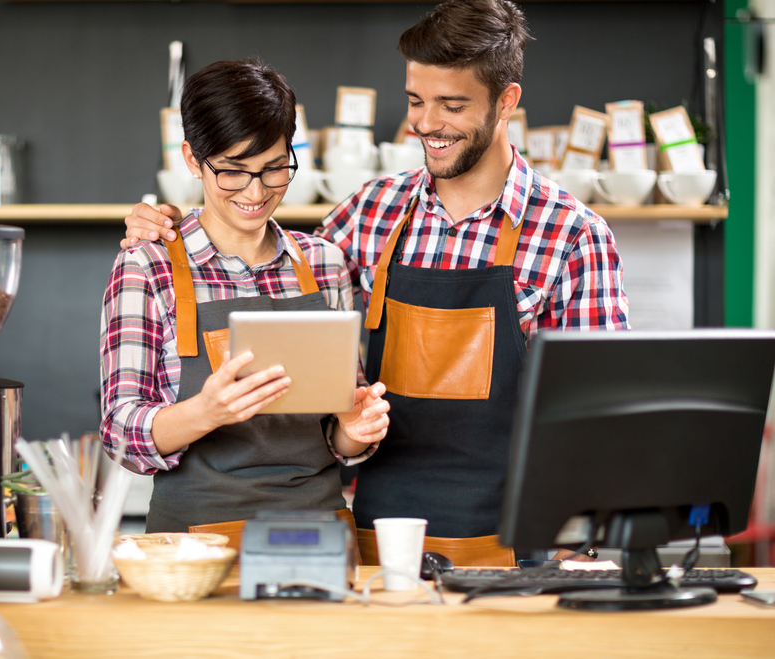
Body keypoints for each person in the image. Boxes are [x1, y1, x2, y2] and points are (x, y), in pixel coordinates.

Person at [121, 0, 628, 563]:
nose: (427, 124)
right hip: (374, 542)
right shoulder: (372, 213)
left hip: (512, 547)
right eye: (416, 101)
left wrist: (582, 548)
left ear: (506, 101)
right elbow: (262, 263)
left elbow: (598, 428)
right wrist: (168, 227)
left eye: (452, 105)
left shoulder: (573, 236)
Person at [101, 60, 390, 538]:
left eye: (275, 169)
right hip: (194, 545)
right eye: (233, 171)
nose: (256, 192)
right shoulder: (147, 265)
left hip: (320, 535)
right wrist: (205, 412)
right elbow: (119, 432)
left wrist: (354, 430)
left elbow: (338, 427)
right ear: (192, 160)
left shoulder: (324, 264)